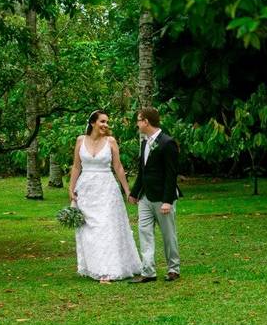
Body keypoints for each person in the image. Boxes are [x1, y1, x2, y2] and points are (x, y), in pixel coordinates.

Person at [69, 110, 142, 282]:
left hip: (107, 190)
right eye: (102, 121)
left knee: (105, 227)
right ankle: (94, 266)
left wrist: (127, 191)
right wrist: (71, 189)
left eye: (107, 122)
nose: (105, 125)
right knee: (89, 229)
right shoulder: (81, 140)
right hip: (86, 190)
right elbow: (76, 167)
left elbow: (118, 167)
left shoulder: (110, 141)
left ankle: (108, 270)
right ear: (93, 123)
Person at [130, 107, 182, 283]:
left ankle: (173, 268)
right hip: (145, 197)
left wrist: (167, 201)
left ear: (146, 122)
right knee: (144, 232)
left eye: (138, 120)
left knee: (168, 234)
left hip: (162, 198)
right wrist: (134, 193)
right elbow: (142, 171)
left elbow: (171, 174)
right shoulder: (144, 142)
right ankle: (148, 271)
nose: (137, 124)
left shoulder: (168, 143)